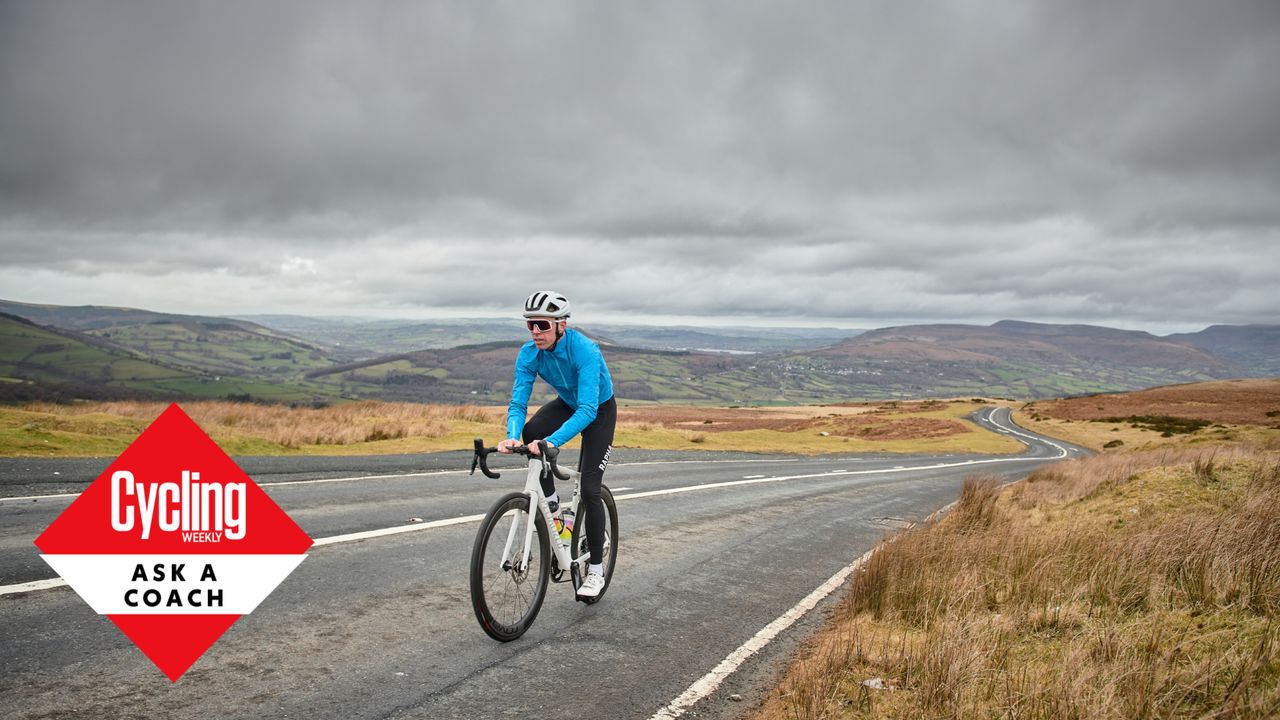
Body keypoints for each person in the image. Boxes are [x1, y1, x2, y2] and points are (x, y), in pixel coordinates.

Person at [497, 290, 616, 600]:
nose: (535, 332)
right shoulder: (529, 353)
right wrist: (512, 435)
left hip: (598, 409)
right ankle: (553, 507)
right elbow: (518, 401)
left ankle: (595, 570)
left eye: (542, 325)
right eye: (530, 325)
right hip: (567, 403)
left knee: (590, 488)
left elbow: (588, 410)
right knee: (530, 431)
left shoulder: (585, 351)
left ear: (561, 324)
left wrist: (550, 442)